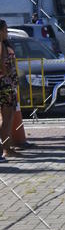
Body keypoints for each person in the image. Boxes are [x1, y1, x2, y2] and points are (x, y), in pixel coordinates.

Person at [0, 20, 19, 160]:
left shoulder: (4, 45)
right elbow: (3, 65)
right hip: (5, 86)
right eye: (5, 30)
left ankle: (7, 148)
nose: (7, 32)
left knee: (7, 118)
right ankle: (5, 149)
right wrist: (7, 76)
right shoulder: (1, 45)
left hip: (6, 84)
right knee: (6, 119)